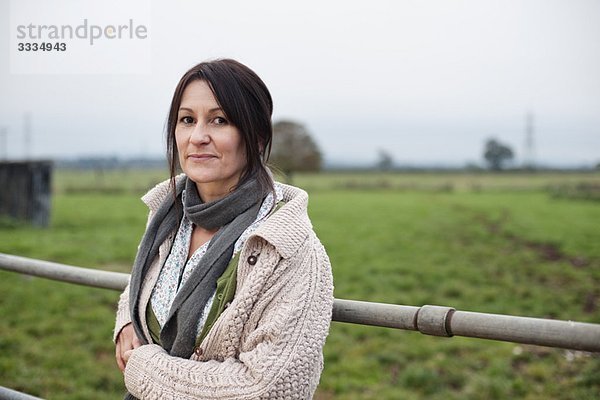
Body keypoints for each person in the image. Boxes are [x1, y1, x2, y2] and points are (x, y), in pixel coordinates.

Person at [113, 59, 334, 400]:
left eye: (219, 120)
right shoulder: (167, 218)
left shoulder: (287, 248)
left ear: (257, 137)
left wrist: (146, 368)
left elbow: (269, 387)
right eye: (187, 120)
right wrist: (127, 322)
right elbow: (141, 287)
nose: (198, 137)